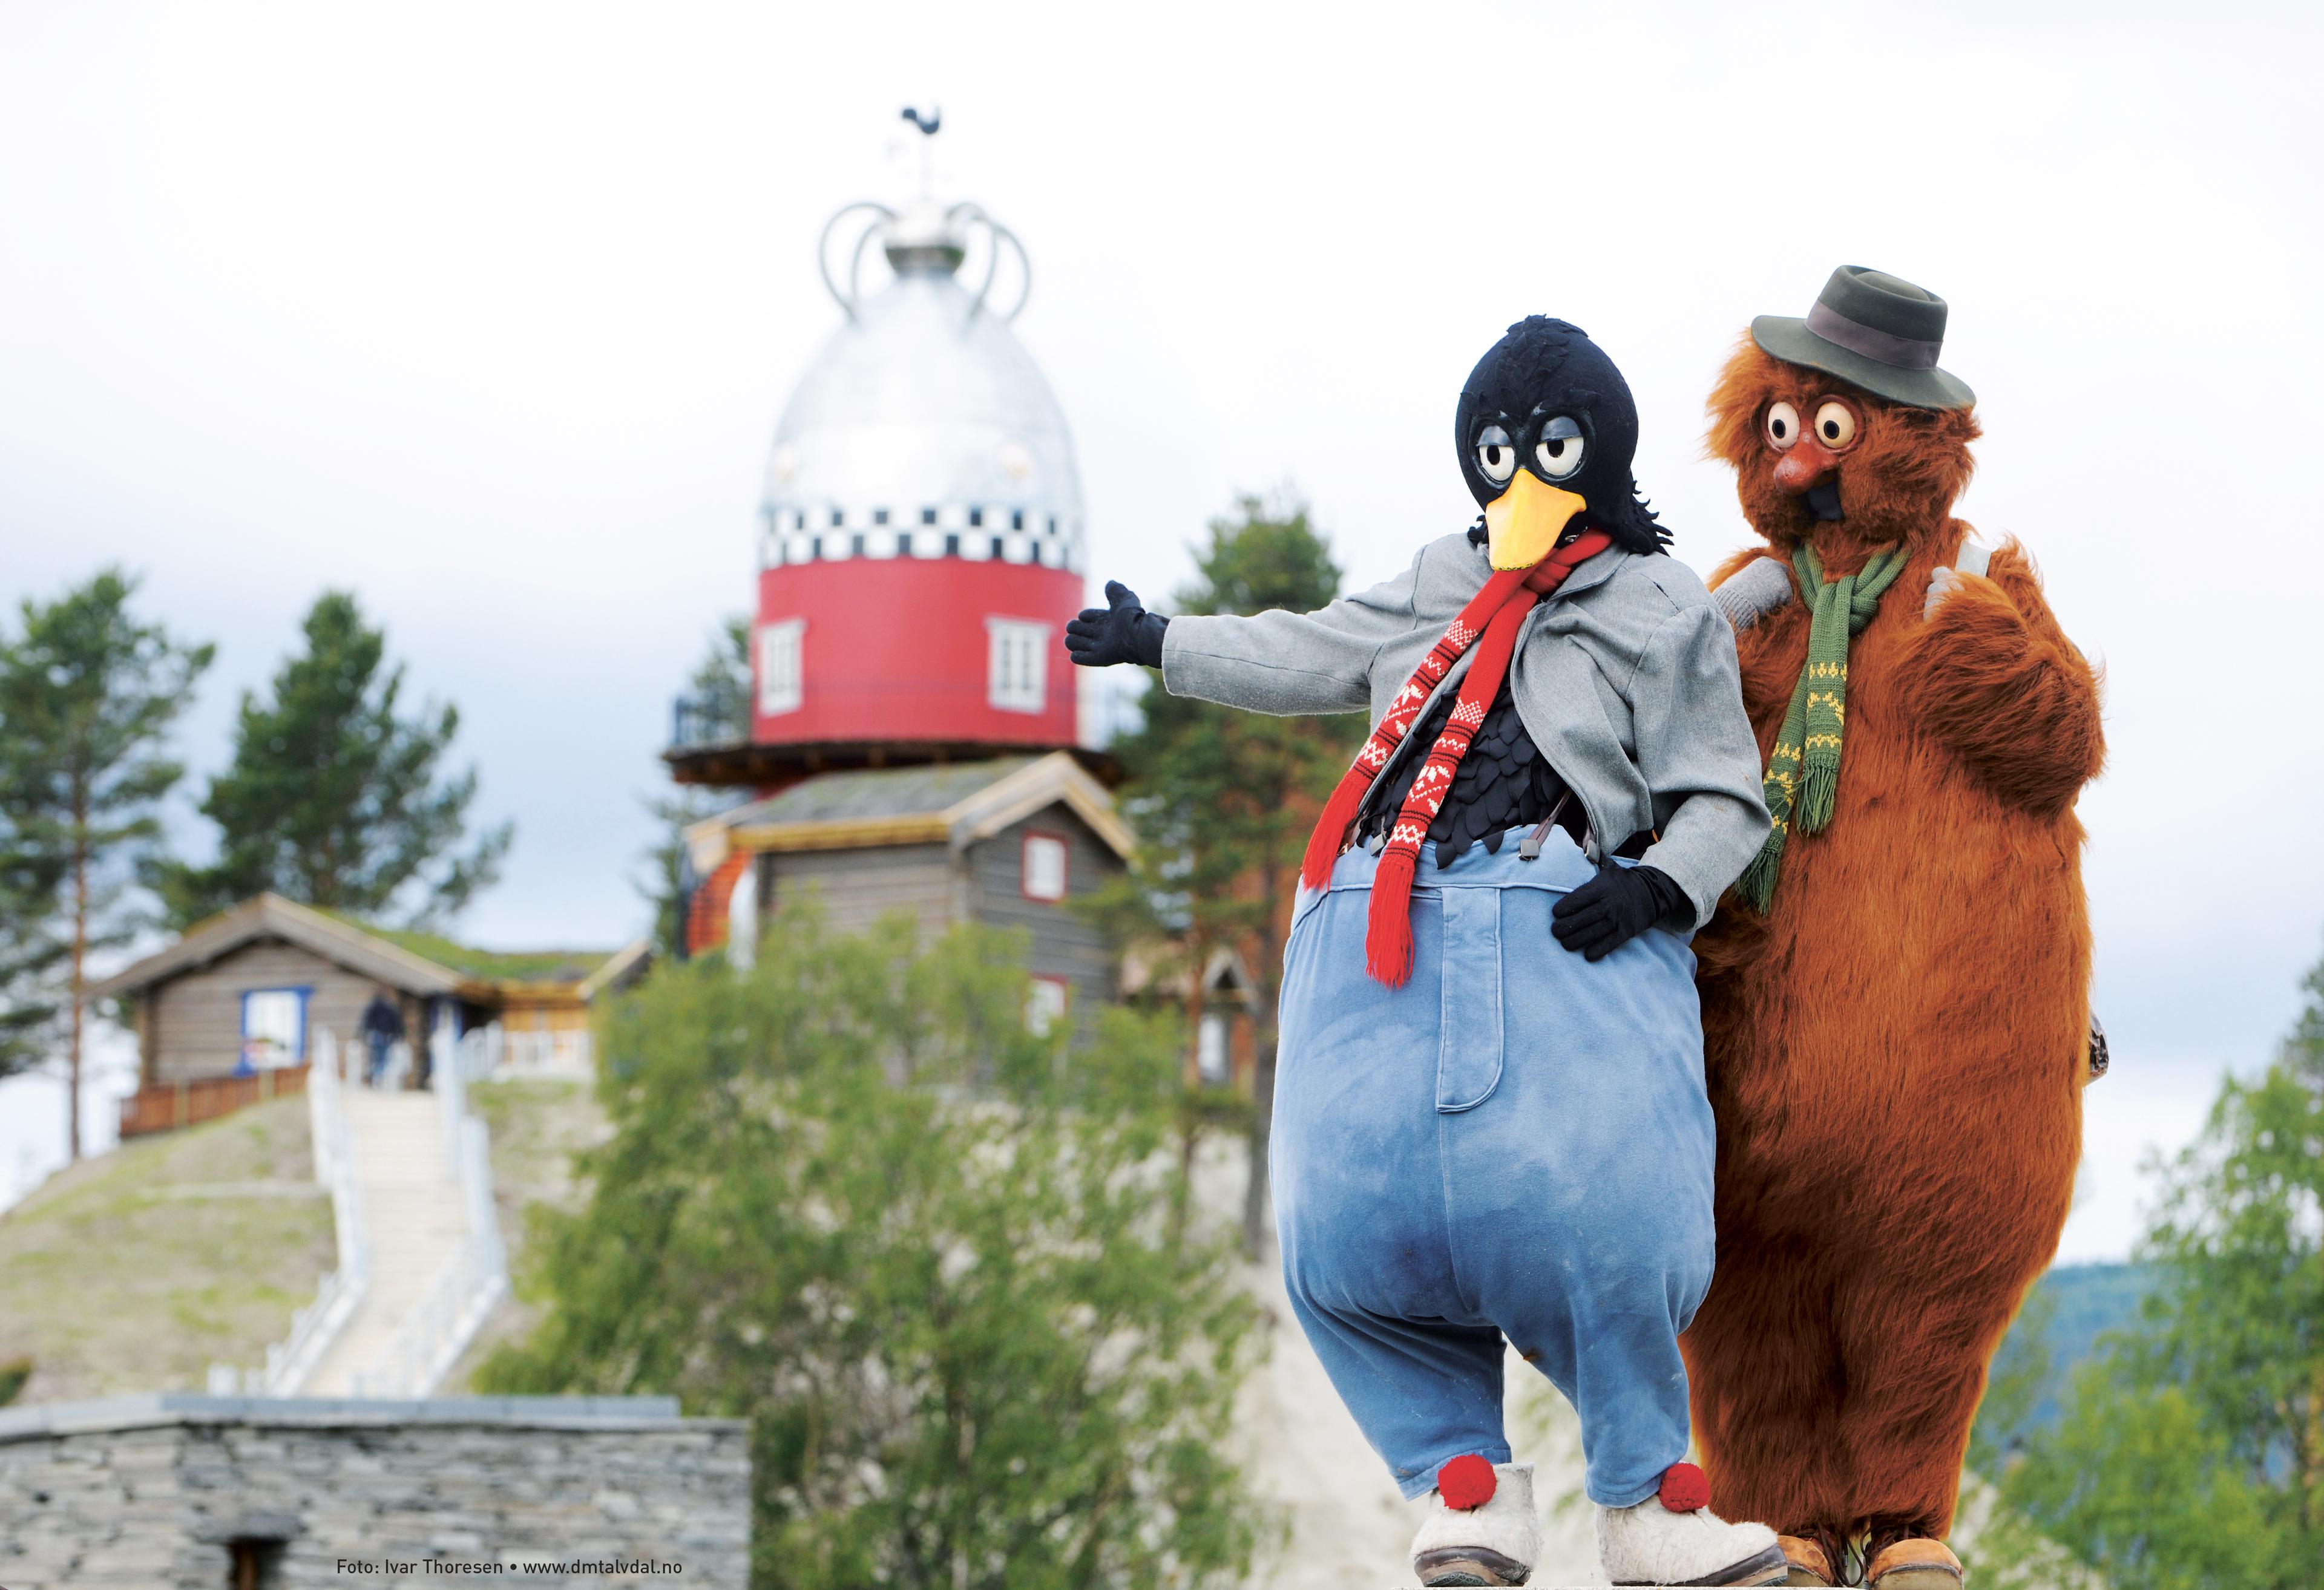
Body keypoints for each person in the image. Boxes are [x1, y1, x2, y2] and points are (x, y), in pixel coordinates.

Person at [1069, 318, 1785, 1588]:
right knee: (1342, 1239)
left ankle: (1644, 1501)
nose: (1523, 477)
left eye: (1549, 449)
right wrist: (1165, 644)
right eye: (1499, 451)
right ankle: (1463, 1482)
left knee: (1607, 1229)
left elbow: (1725, 794)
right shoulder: (1435, 580)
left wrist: (1656, 891)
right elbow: (1311, 649)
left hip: (1566, 930)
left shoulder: (1652, 601)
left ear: (1599, 450)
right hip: (1379, 936)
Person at [359, 988, 403, 1088]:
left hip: (376, 1035)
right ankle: (378, 1077)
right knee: (382, 1059)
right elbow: (396, 1023)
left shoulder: (374, 1007)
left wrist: (364, 1034)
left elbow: (367, 1022)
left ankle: (375, 1077)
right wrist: (397, 1035)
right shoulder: (390, 1008)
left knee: (375, 1058)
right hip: (385, 1036)